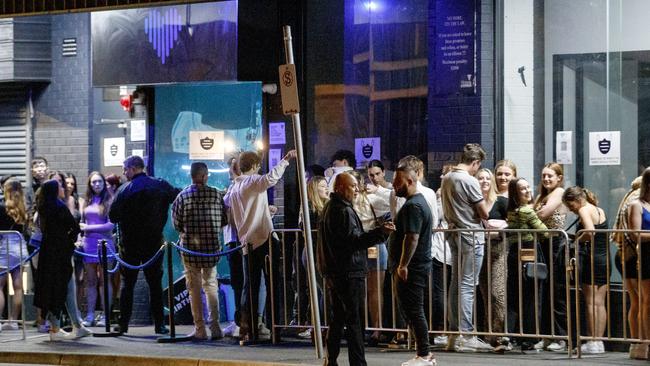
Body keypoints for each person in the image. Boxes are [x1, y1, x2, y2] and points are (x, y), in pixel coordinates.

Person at [317, 172, 394, 366]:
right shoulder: (342, 210)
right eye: (352, 187)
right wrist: (380, 233)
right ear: (341, 188)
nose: (356, 190)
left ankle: (331, 358)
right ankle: (357, 362)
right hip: (349, 272)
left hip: (337, 271)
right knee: (355, 321)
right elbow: (353, 241)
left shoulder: (331, 207)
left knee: (338, 318)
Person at [224, 149, 296, 342]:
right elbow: (270, 179)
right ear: (255, 166)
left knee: (250, 286)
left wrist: (266, 212)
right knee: (273, 285)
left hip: (246, 242)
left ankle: (249, 327)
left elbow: (247, 213)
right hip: (264, 239)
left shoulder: (234, 188)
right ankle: (275, 327)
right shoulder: (252, 182)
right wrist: (286, 160)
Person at [108, 155, 180, 335]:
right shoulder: (160, 184)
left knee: (128, 285)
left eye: (125, 170)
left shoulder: (125, 190)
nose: (124, 173)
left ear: (133, 168)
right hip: (154, 242)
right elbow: (178, 197)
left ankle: (123, 324)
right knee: (155, 284)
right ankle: (159, 324)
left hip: (130, 243)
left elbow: (113, 216)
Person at [440, 143, 492, 352]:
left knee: (456, 283)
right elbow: (483, 212)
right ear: (475, 162)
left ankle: (454, 334)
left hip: (454, 233)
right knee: (468, 285)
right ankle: (466, 334)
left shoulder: (447, 178)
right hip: (470, 235)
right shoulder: (468, 180)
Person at [172, 162, 226, 341]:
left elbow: (177, 224)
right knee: (211, 286)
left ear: (192, 175)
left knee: (194, 288)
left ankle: (200, 328)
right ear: (205, 176)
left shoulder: (182, 196)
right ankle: (216, 327)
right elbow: (224, 220)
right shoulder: (216, 195)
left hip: (190, 250)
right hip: (211, 249)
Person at [390, 166, 435, 365]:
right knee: (412, 309)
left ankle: (424, 354)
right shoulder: (416, 203)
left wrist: (403, 265)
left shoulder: (413, 206)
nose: (393, 186)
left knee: (414, 310)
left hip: (413, 267)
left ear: (409, 181)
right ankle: (423, 353)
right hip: (416, 265)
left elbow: (412, 238)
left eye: (397, 182)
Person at [33, 179, 87, 341]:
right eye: (60, 187)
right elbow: (75, 227)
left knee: (51, 288)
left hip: (47, 252)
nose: (63, 188)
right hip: (61, 253)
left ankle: (56, 327)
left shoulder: (43, 207)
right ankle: (75, 326)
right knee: (67, 287)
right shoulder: (60, 207)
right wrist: (70, 241)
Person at [562, 186, 608, 355]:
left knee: (590, 302)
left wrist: (577, 242)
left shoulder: (584, 209)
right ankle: (599, 341)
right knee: (600, 303)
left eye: (570, 205)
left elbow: (590, 231)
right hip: (603, 259)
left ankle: (592, 340)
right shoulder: (598, 209)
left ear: (577, 200)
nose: (571, 209)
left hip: (591, 259)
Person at [348, 170, 390, 345]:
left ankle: (377, 329)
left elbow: (392, 200)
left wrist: (378, 190)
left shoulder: (370, 198)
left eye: (356, 184)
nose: (354, 188)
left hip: (373, 245)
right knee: (359, 291)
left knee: (374, 290)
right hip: (357, 247)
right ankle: (362, 328)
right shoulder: (345, 203)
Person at [505, 178, 547, 349]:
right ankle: (529, 337)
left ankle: (514, 335)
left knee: (516, 295)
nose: (528, 190)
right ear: (516, 193)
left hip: (515, 253)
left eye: (528, 186)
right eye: (523, 189)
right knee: (530, 296)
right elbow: (543, 232)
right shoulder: (526, 211)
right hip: (529, 252)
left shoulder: (512, 211)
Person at [533, 163, 568, 352]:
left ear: (559, 178)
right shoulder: (541, 195)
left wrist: (530, 216)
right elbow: (533, 212)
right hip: (542, 245)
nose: (546, 179)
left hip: (556, 245)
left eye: (550, 176)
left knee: (557, 291)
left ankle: (561, 336)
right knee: (544, 291)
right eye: (544, 176)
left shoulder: (560, 192)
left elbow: (543, 213)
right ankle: (547, 335)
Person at [476, 168, 509, 351]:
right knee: (485, 293)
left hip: (499, 249)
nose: (485, 181)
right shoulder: (474, 203)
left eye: (488, 178)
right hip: (479, 249)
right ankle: (490, 336)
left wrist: (500, 230)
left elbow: (513, 223)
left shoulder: (501, 201)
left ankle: (500, 335)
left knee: (498, 293)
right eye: (480, 178)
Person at [613, 176, 646, 359]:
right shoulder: (637, 199)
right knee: (639, 301)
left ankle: (637, 344)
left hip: (627, 254)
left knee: (638, 301)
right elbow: (632, 233)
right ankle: (639, 343)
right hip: (632, 255)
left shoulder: (632, 195)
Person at [79, 172, 115, 328]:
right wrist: (81, 236)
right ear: (89, 184)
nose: (96, 184)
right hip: (88, 243)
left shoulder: (110, 199)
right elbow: (81, 222)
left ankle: (106, 315)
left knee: (104, 281)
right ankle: (90, 314)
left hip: (105, 243)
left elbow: (111, 225)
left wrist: (89, 228)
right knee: (91, 281)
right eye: (93, 182)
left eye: (99, 181)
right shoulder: (86, 201)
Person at [295, 175, 329, 339]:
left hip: (320, 252)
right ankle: (320, 326)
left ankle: (321, 325)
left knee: (322, 290)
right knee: (322, 289)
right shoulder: (310, 207)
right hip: (313, 252)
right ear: (315, 189)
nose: (326, 188)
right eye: (323, 186)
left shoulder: (325, 205)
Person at [625, 168, 650, 360]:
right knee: (646, 301)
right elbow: (636, 233)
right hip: (647, 255)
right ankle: (646, 343)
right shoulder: (636, 204)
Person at [0, 178, 28, 331]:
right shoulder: (23, 206)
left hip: (5, 244)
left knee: (0, 286)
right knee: (18, 287)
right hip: (20, 245)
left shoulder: (2, 206)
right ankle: (14, 320)